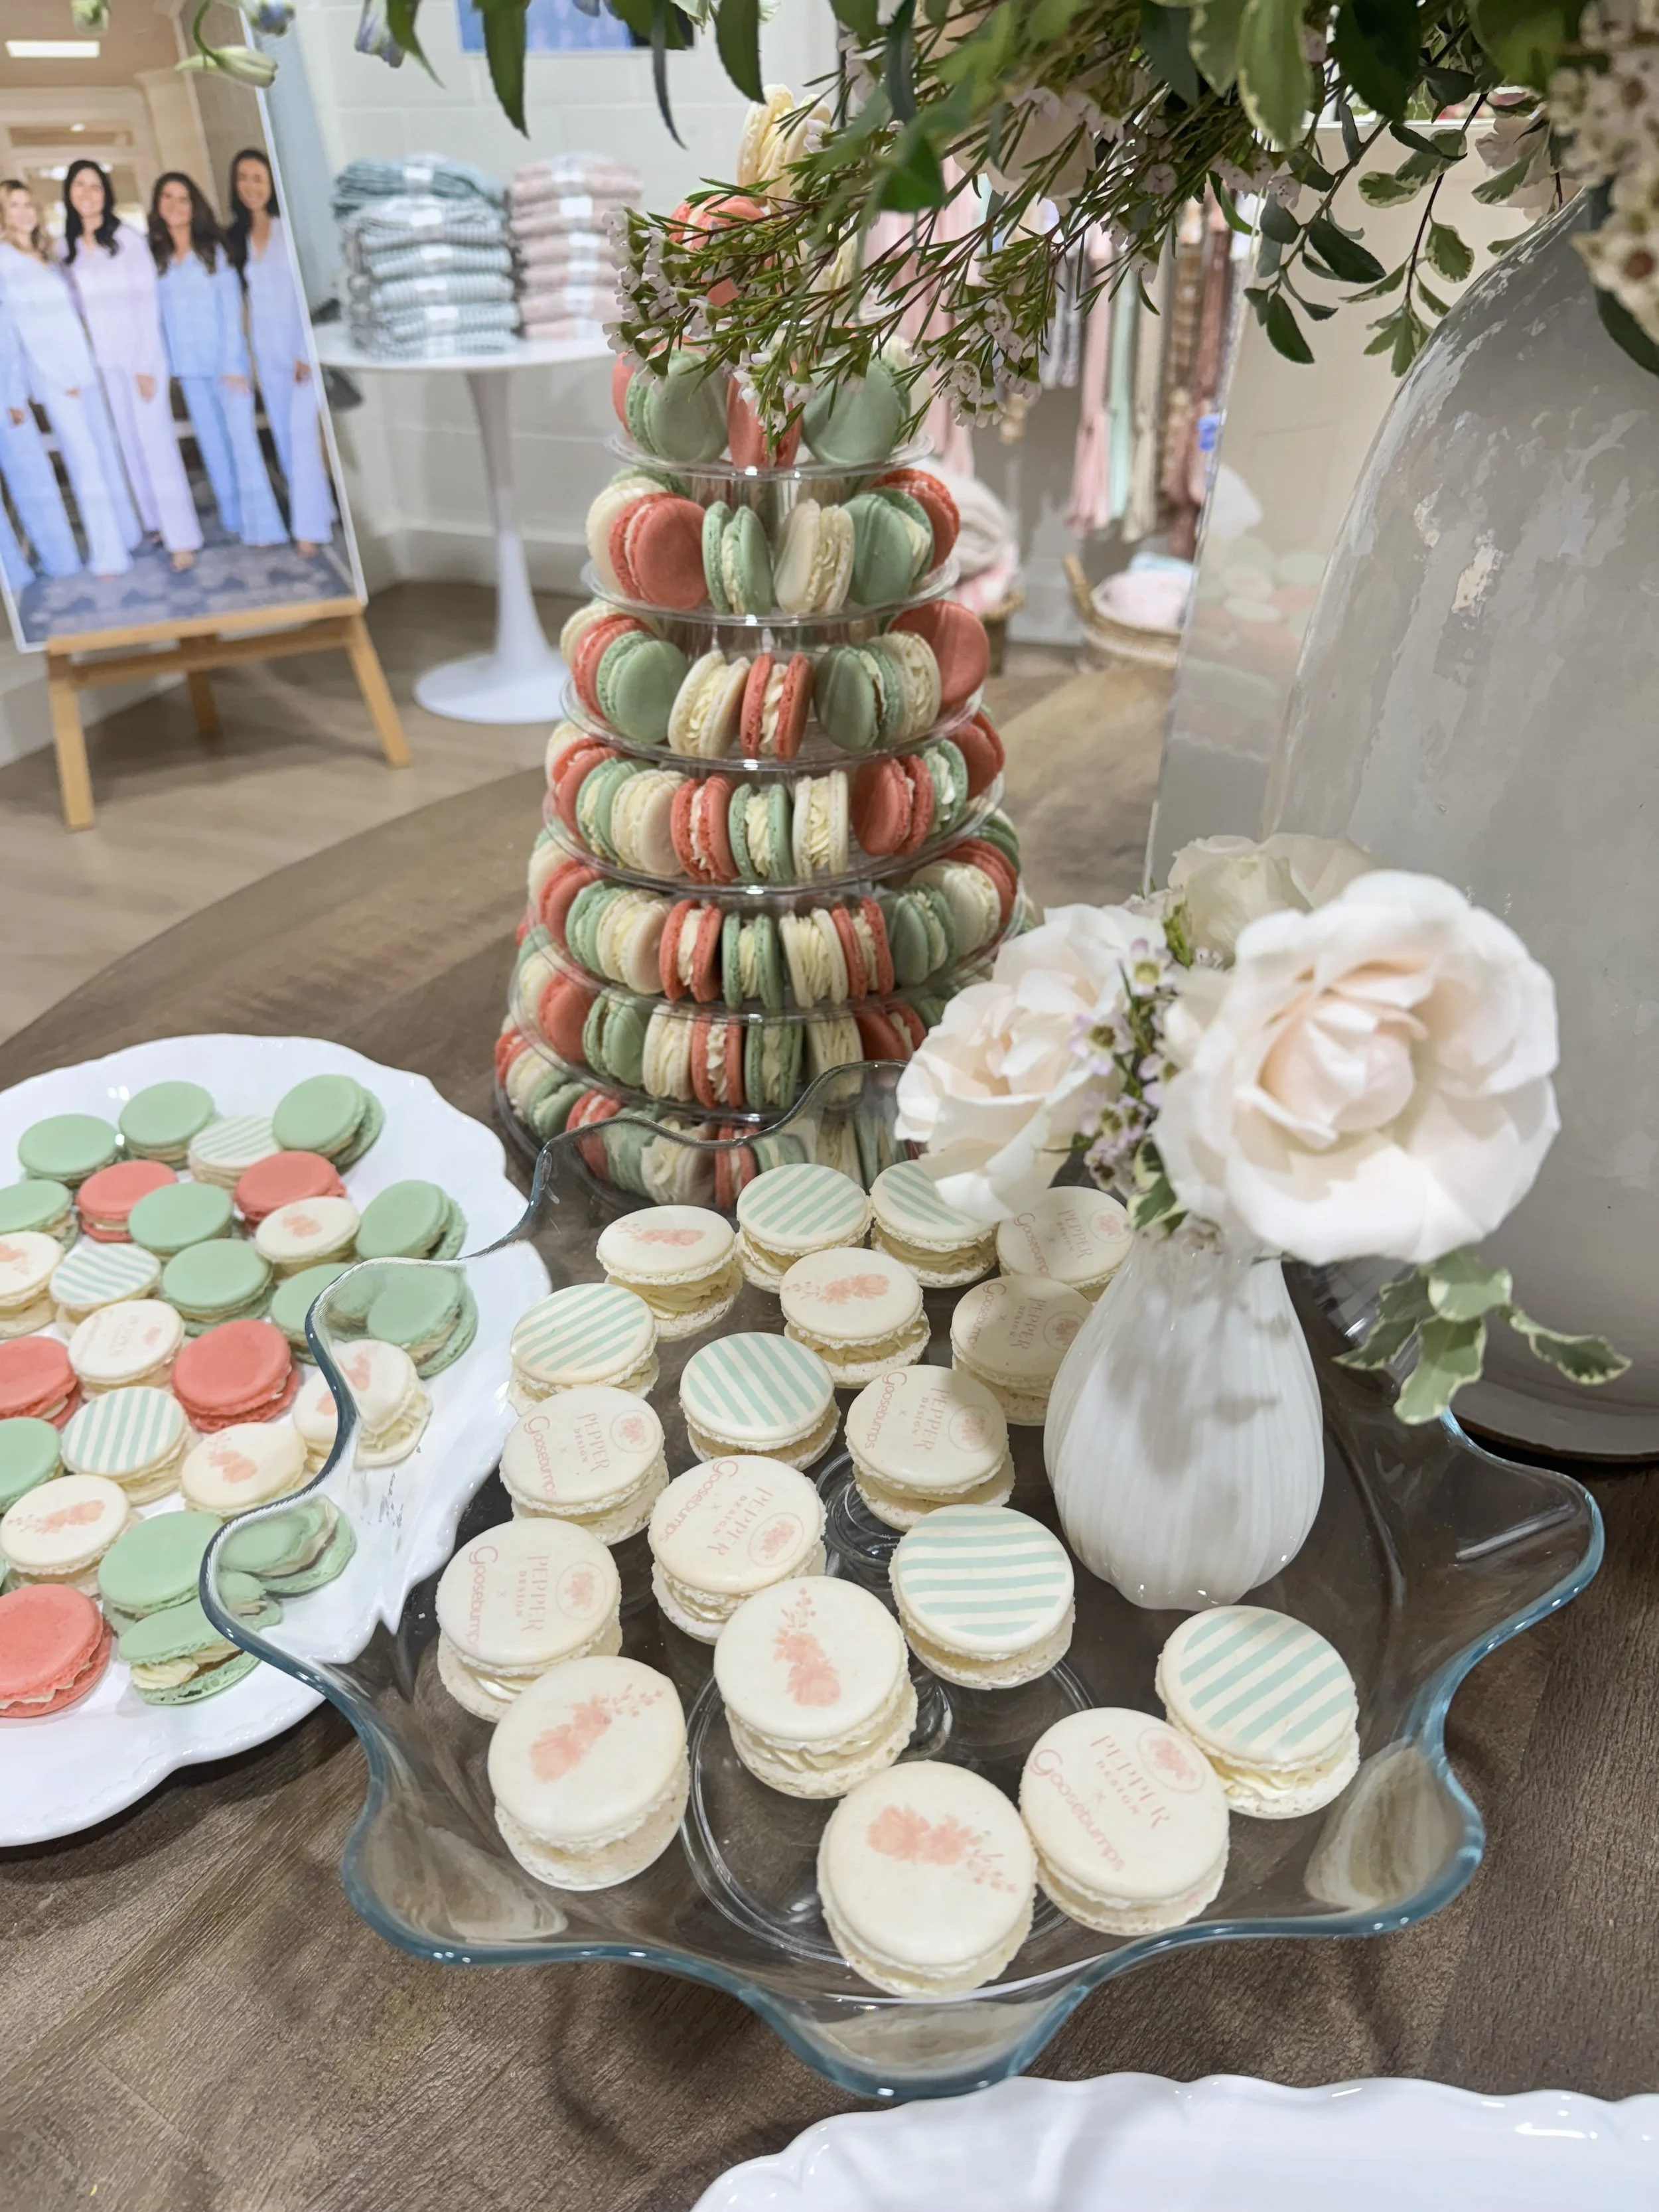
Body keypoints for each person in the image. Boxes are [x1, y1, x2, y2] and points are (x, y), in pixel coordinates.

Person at [62, 158, 201, 571]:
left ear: (106, 194)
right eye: (80, 186)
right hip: (105, 364)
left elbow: (146, 306)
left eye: (96, 186)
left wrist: (143, 364)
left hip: (141, 359)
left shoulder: (128, 240)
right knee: (130, 447)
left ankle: (183, 538)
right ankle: (154, 522)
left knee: (156, 445)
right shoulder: (67, 247)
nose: (88, 194)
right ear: (69, 193)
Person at [0, 179, 137, 577]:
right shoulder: (6, 260)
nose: (25, 212)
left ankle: (125, 535)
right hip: (57, 377)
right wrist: (61, 377)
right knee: (85, 463)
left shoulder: (46, 252)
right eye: (14, 206)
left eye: (28, 204)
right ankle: (108, 553)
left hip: (83, 367)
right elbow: (23, 330)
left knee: (105, 455)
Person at [149, 171, 287, 548]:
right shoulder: (157, 258)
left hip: (227, 367)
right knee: (212, 446)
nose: (174, 205)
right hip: (188, 369)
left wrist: (231, 363)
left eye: (183, 198)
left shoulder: (215, 250)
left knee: (242, 444)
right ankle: (235, 518)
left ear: (194, 207)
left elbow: (229, 310)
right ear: (158, 205)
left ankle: (265, 527)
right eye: (167, 197)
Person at [226, 147, 333, 553]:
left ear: (271, 183)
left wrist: (305, 351)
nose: (250, 186)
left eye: (258, 177)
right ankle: (317, 513)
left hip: (300, 353)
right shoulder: (238, 238)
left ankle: (309, 531)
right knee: (288, 443)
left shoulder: (289, 229)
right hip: (267, 355)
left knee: (302, 435)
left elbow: (310, 293)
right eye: (243, 178)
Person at [0, 293, 80, 583]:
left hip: (8, 405)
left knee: (35, 483)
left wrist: (15, 396)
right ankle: (11, 576)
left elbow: (8, 345)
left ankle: (62, 561)